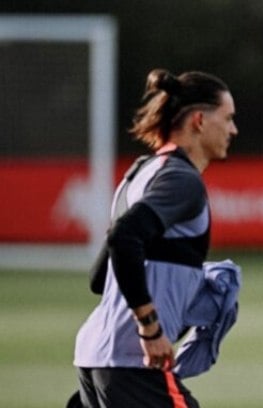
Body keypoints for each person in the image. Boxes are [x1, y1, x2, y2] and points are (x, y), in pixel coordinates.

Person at [71, 68, 239, 408]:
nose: (233, 129)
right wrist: (150, 325)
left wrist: (182, 286)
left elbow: (100, 278)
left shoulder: (140, 171)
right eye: (228, 118)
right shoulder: (182, 181)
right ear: (199, 121)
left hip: (94, 357)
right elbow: (125, 236)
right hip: (134, 360)